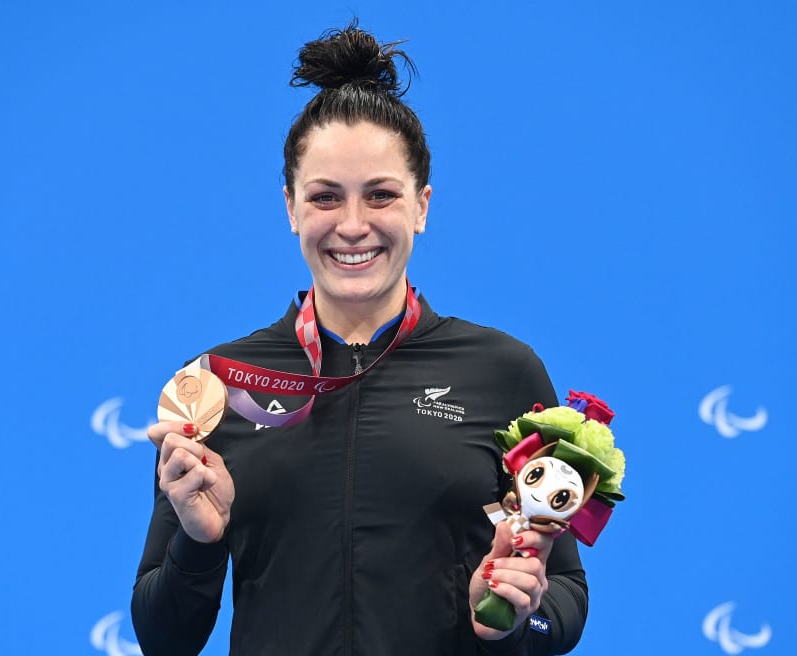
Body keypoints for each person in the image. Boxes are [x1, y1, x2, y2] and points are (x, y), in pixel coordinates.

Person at [132, 22, 588, 656]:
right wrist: (199, 541)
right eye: (325, 197)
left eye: (380, 195)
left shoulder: (504, 371)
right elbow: (163, 635)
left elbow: (564, 593)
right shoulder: (214, 383)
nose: (352, 226)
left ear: (421, 207)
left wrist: (515, 613)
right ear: (290, 207)